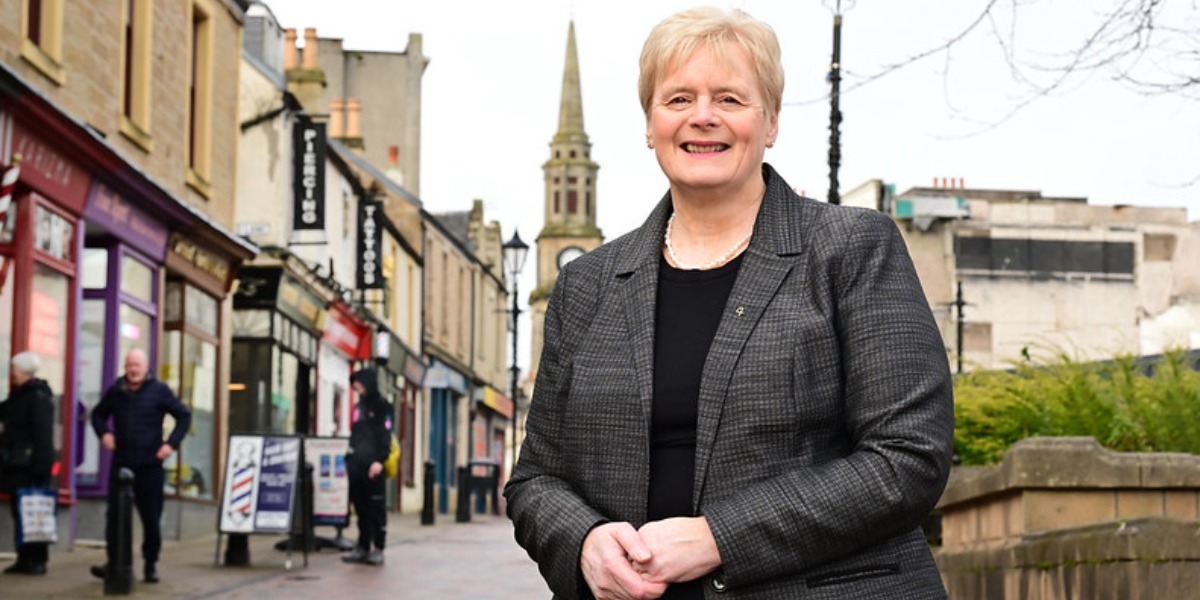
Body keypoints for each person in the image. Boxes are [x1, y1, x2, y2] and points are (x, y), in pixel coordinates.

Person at [505, 7, 955, 600]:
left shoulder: (851, 250)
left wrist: (720, 537)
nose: (703, 118)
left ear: (769, 122)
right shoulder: (586, 286)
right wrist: (585, 543)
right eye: (678, 99)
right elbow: (536, 478)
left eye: (730, 99)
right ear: (650, 123)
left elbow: (908, 456)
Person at [89, 349, 191, 584]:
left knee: (151, 518)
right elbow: (98, 416)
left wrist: (171, 445)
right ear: (125, 367)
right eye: (129, 365)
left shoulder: (159, 391)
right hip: (122, 462)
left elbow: (184, 416)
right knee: (114, 516)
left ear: (146, 368)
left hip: (150, 464)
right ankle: (114, 562)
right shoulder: (116, 391)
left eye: (137, 365)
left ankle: (150, 564)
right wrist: (104, 434)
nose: (133, 370)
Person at [0, 352, 55, 575]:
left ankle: (38, 560)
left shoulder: (37, 397)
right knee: (20, 512)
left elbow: (43, 436)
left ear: (22, 371)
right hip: (17, 465)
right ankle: (24, 558)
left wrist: (41, 468)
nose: (12, 373)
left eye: (14, 369)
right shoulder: (20, 395)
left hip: (30, 466)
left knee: (35, 513)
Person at [340, 368, 392, 567]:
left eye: (358, 382)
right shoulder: (358, 407)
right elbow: (356, 434)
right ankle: (363, 547)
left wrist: (380, 460)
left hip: (374, 467)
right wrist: (350, 458)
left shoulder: (382, 406)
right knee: (360, 508)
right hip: (357, 465)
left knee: (375, 508)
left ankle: (378, 548)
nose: (355, 386)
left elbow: (385, 436)